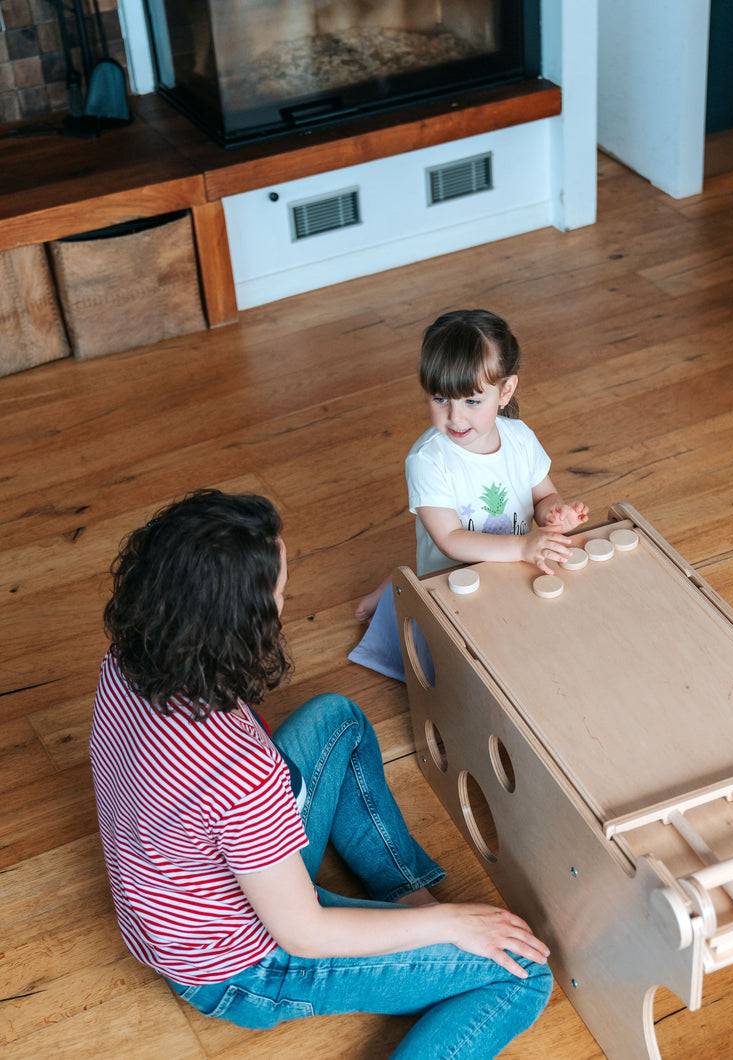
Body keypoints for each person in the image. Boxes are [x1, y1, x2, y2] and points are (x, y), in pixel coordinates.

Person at [89, 489, 552, 1058]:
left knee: (338, 721)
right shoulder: (237, 769)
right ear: (238, 624)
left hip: (168, 897)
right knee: (522, 973)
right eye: (278, 596)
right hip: (243, 969)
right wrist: (455, 924)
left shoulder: (134, 652)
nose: (285, 603)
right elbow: (303, 934)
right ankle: (425, 927)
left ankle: (408, 901)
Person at [350, 310, 588, 677]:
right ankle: (392, 593)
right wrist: (523, 547)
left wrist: (555, 514)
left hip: (514, 567)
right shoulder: (427, 461)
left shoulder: (519, 438)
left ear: (505, 391)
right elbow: (449, 539)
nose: (455, 417)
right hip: (454, 577)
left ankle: (394, 584)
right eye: (441, 399)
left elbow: (543, 497)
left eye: (472, 402)